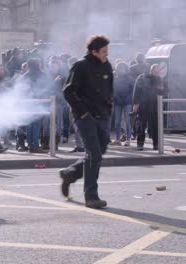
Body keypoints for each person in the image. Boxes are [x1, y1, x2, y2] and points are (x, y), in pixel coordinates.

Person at [60, 36, 113, 209]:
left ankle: (70, 174)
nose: (107, 54)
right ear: (94, 52)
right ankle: (91, 196)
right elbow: (68, 91)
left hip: (102, 116)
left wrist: (108, 109)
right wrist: (83, 112)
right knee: (94, 154)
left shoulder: (107, 66)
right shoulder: (80, 66)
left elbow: (109, 90)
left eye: (107, 51)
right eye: (104, 51)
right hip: (85, 117)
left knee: (100, 150)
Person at [133, 64, 165, 151]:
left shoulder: (160, 79)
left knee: (156, 126)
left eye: (158, 69)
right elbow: (136, 91)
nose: (157, 71)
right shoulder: (142, 78)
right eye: (156, 69)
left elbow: (163, 93)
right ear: (151, 69)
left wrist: (162, 89)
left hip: (155, 105)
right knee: (141, 125)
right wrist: (135, 104)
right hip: (143, 105)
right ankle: (140, 144)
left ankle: (156, 144)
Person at [21, 58, 49, 154]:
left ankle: (30, 145)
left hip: (28, 103)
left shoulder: (25, 76)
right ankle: (35, 146)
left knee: (30, 125)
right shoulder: (42, 75)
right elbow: (46, 88)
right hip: (38, 102)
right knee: (36, 125)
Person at [111, 61, 135, 147]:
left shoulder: (130, 79)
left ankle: (128, 140)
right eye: (120, 68)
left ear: (126, 69)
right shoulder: (115, 78)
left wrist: (127, 98)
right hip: (118, 102)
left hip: (127, 102)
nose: (122, 69)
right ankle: (118, 139)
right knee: (117, 121)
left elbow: (133, 91)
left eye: (123, 68)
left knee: (127, 121)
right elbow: (113, 90)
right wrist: (117, 97)